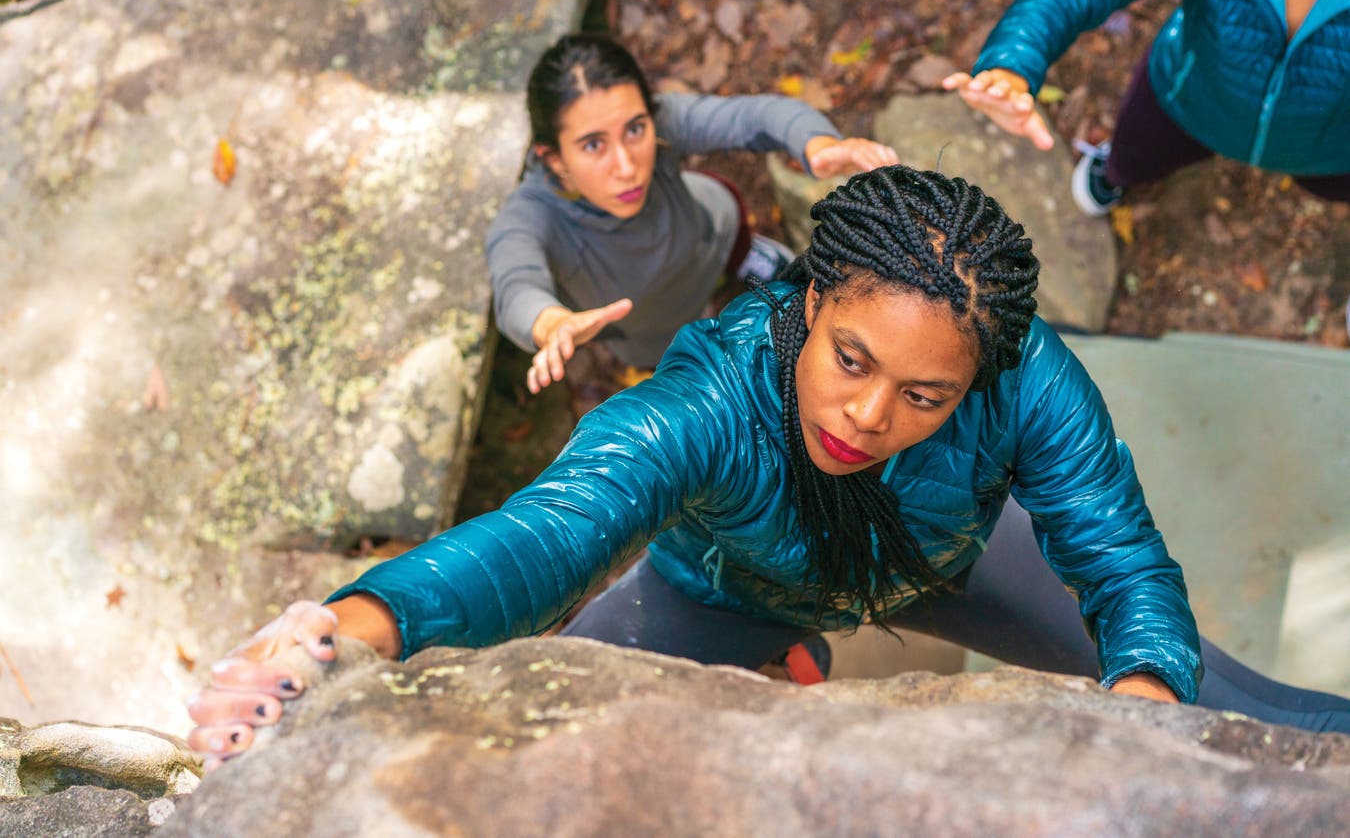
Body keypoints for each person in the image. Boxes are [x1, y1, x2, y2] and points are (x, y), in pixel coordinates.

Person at [188, 166, 1350, 767]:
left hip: (948, 560)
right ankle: (780, 655)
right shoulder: (710, 401)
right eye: (851, 358)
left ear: (979, 374)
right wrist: (355, 625)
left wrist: (1144, 704)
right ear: (804, 297)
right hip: (723, 592)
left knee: (1242, 713)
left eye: (925, 397)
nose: (868, 413)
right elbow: (553, 531)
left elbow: (1116, 550)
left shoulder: (1026, 372)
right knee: (526, 735)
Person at [489, 33, 899, 400]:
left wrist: (818, 144)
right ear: (554, 158)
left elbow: (755, 117)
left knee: (733, 231)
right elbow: (516, 283)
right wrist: (550, 324)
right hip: (649, 324)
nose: (626, 165)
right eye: (593, 145)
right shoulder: (530, 214)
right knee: (674, 354)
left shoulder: (664, 120)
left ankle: (748, 261)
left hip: (710, 235)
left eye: (635, 130)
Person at [941, 0, 1350, 216]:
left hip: (1330, 148)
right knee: (1135, 155)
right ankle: (1115, 173)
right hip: (1187, 102)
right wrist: (1014, 60)